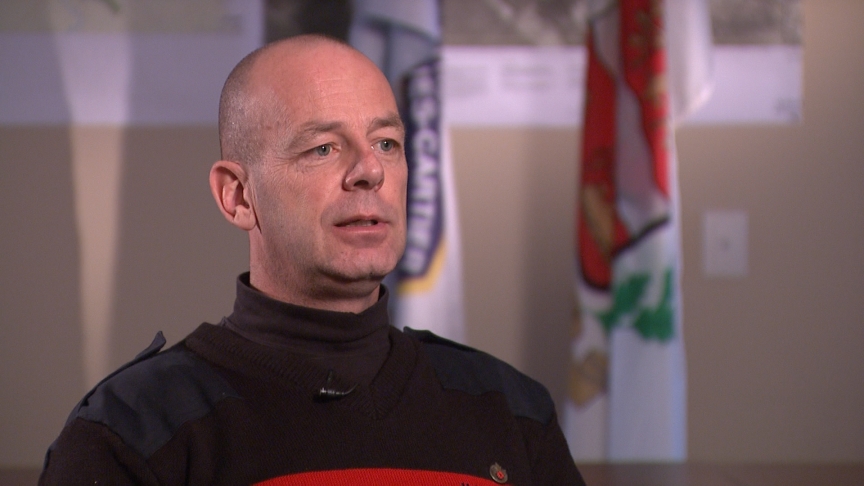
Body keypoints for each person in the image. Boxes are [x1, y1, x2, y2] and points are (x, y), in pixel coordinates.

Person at [40, 35, 585, 485]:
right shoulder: (133, 429)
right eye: (323, 148)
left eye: (387, 143)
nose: (369, 171)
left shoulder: (507, 408)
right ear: (238, 196)